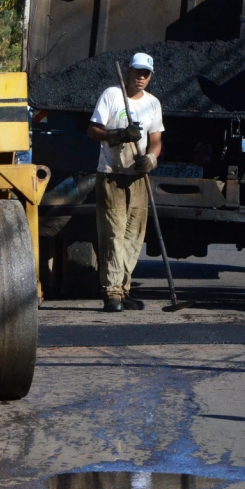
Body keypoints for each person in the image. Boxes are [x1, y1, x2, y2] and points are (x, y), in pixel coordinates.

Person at [86, 53, 164, 313]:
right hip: (111, 174)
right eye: (138, 72)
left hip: (139, 177)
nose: (141, 77)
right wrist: (118, 134)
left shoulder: (153, 103)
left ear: (151, 76)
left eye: (146, 74)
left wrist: (151, 159)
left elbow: (156, 139)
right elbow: (92, 130)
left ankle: (124, 288)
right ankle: (111, 293)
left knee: (133, 235)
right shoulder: (112, 95)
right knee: (113, 234)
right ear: (129, 72)